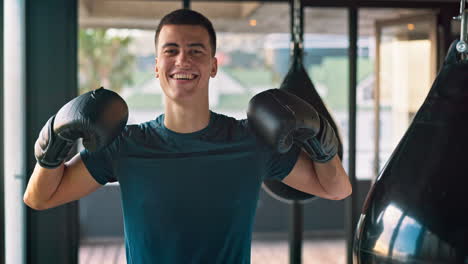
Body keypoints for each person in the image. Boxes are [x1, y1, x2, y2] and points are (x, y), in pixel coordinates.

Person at [24, 9, 352, 264]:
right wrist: (53, 140)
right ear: (156, 66)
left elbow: (336, 188)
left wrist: (319, 138)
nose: (183, 59)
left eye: (196, 51)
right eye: (171, 50)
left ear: (213, 65)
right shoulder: (125, 145)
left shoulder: (251, 141)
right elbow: (40, 197)